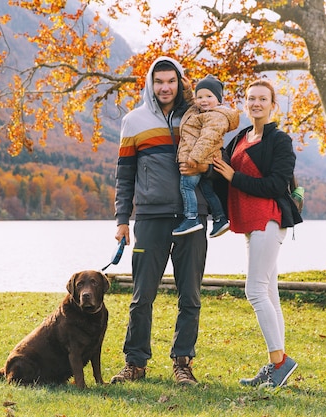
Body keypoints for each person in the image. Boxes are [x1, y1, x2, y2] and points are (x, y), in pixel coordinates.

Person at [111, 56, 209, 386]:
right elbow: (124, 175)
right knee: (142, 296)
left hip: (192, 217)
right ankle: (135, 363)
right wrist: (122, 219)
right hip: (150, 218)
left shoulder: (195, 115)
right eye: (159, 81)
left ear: (180, 82)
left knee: (190, 296)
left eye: (171, 81)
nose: (165, 87)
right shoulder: (134, 121)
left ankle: (183, 363)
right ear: (150, 84)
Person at [212, 79, 303, 388]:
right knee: (270, 294)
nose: (256, 104)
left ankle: (280, 362)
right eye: (251, 99)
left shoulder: (280, 140)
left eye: (263, 99)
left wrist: (234, 177)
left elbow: (277, 185)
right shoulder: (240, 137)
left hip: (268, 220)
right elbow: (219, 168)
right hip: (250, 224)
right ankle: (276, 364)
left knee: (254, 291)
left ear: (272, 105)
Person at [173, 75, 239, 238]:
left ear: (218, 100)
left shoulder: (216, 116)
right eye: (200, 96)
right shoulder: (200, 111)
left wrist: (194, 158)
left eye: (209, 96)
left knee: (187, 186)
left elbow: (207, 138)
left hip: (198, 160)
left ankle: (191, 218)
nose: (203, 100)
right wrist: (188, 90)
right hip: (204, 159)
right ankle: (220, 218)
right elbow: (191, 104)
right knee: (207, 191)